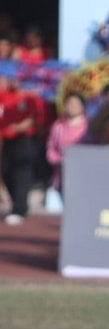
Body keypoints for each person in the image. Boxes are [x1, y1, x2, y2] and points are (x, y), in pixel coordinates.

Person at [0, 75, 44, 225]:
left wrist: (18, 127)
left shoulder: (29, 97)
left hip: (24, 140)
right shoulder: (5, 95)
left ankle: (19, 209)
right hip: (7, 140)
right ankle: (15, 205)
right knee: (5, 171)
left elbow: (32, 118)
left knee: (21, 174)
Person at [46, 92, 89, 198]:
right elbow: (51, 148)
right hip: (62, 174)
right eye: (69, 104)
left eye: (76, 104)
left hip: (84, 173)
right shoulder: (58, 126)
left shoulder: (89, 127)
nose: (72, 107)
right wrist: (59, 160)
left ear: (82, 107)